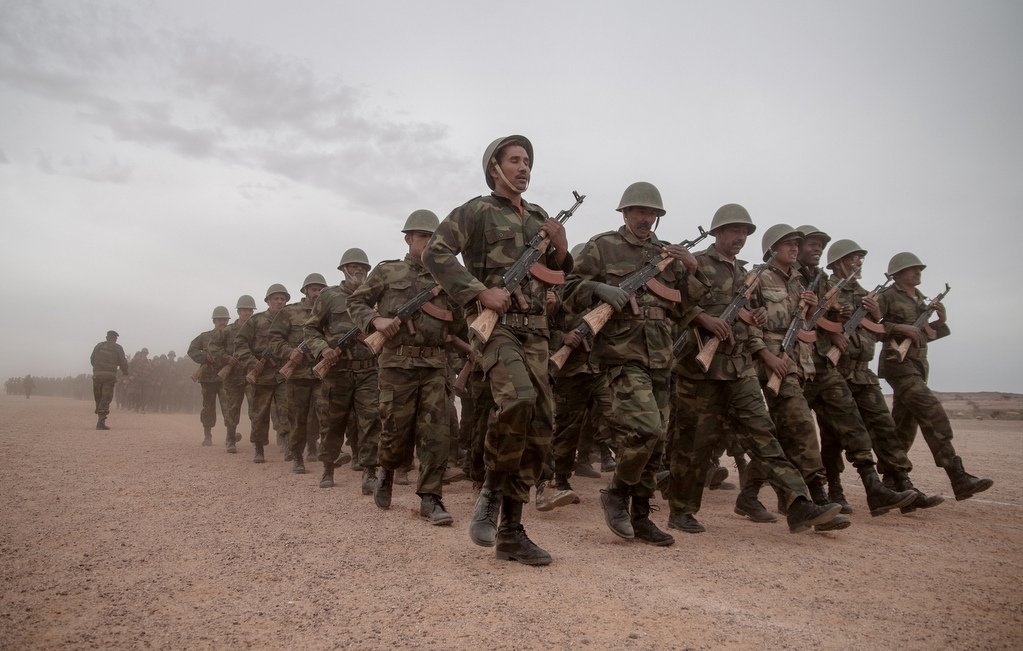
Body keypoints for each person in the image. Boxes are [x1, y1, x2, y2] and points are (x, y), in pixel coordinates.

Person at [423, 134, 569, 566]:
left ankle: (511, 530)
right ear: (494, 168)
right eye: (515, 160)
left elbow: (557, 277)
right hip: (498, 330)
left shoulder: (541, 217)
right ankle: (489, 488)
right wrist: (478, 292)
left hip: (537, 333)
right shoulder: (476, 210)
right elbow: (436, 252)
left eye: (528, 161)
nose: (524, 168)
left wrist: (560, 246)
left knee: (541, 424)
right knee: (518, 400)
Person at [666, 205, 843, 534]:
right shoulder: (696, 263)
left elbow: (745, 313)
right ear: (718, 233)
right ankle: (681, 510)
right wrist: (702, 315)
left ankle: (798, 504)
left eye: (745, 233)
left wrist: (754, 318)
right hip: (699, 370)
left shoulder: (745, 273)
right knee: (693, 443)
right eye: (734, 232)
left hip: (738, 365)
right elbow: (674, 303)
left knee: (764, 434)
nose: (741, 238)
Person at [562, 181, 702, 548]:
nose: (645, 218)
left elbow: (688, 307)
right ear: (625, 213)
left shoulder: (666, 254)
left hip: (660, 358)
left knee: (657, 443)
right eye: (639, 211)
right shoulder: (603, 245)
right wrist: (599, 290)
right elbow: (568, 286)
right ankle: (616, 493)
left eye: (651, 212)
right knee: (646, 428)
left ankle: (641, 516)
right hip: (622, 356)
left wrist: (691, 268)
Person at [795, 227, 916, 519]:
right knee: (796, 432)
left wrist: (848, 319)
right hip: (797, 364)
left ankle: (876, 486)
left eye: (820, 246)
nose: (817, 249)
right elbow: (798, 317)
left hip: (825, 364)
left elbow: (835, 319)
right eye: (811, 244)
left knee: (853, 426)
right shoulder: (790, 278)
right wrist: (832, 327)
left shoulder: (823, 281)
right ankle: (787, 494)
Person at [349, 210, 460, 525]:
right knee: (395, 431)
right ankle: (386, 471)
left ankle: (430, 498)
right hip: (397, 362)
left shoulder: (449, 275)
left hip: (436, 364)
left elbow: (462, 318)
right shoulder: (388, 273)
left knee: (436, 433)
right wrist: (376, 320)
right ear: (409, 238)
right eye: (422, 236)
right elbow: (355, 302)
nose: (427, 242)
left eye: (432, 237)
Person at [821, 239, 943, 512]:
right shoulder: (825, 288)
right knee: (835, 435)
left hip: (862, 373)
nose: (858, 263)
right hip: (834, 372)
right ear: (838, 262)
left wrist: (877, 317)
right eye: (853, 258)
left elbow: (880, 333)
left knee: (885, 429)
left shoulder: (867, 294)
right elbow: (812, 321)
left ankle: (901, 484)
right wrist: (834, 323)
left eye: (860, 258)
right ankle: (835, 490)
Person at [877, 252, 993, 500]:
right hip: (898, 364)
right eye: (912, 269)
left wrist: (941, 320)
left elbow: (926, 335)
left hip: (918, 366)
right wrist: (898, 327)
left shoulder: (920, 299)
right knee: (932, 412)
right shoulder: (887, 296)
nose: (918, 272)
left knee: (904, 425)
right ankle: (957, 475)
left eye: (920, 269)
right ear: (897, 273)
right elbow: (871, 326)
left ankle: (891, 479)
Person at [304, 248, 380, 493]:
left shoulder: (375, 296)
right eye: (353, 266)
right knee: (333, 421)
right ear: (343, 269)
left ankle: (370, 472)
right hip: (338, 371)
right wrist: (323, 349)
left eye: (362, 267)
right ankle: (328, 467)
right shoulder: (329, 296)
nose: (358, 270)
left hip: (369, 370)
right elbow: (311, 329)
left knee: (371, 421)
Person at [270, 273, 328, 474]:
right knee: (298, 418)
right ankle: (297, 456)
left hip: (322, 373)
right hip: (298, 376)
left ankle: (327, 454)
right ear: (305, 291)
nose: (317, 293)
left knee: (325, 414)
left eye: (321, 289)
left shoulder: (329, 312)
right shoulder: (289, 312)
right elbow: (275, 339)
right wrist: (289, 352)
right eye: (313, 289)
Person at [235, 284, 290, 464]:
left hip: (283, 372)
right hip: (262, 373)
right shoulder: (256, 321)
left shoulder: (290, 320)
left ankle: (288, 443)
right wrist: (253, 363)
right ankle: (259, 448)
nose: (280, 301)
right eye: (276, 298)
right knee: (259, 413)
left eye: (282, 298)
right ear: (268, 300)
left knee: (287, 409)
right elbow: (240, 343)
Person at [208, 295, 256, 452]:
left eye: (250, 310)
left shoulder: (257, 330)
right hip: (233, 375)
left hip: (252, 375)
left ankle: (257, 441)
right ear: (239, 311)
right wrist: (227, 359)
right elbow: (213, 346)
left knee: (255, 408)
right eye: (244, 310)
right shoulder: (228, 331)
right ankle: (230, 439)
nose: (247, 313)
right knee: (232, 409)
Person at [188, 306, 231, 446]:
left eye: (225, 319)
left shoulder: (232, 336)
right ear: (214, 320)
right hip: (207, 377)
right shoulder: (205, 336)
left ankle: (230, 436)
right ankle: (207, 435)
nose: (223, 322)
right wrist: (205, 357)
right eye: (220, 319)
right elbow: (192, 350)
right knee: (208, 408)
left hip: (226, 377)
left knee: (228, 407)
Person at [90, 330, 130, 429]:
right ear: (115, 338)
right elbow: (123, 362)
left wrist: (97, 369)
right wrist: (125, 373)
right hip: (109, 376)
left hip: (97, 375)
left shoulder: (99, 346)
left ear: (107, 337)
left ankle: (99, 413)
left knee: (98, 396)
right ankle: (101, 421)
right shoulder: (117, 348)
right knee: (106, 397)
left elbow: (92, 359)